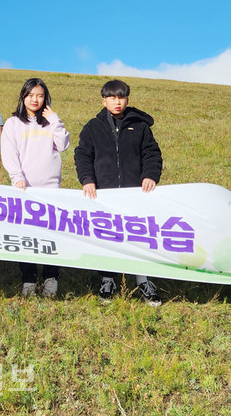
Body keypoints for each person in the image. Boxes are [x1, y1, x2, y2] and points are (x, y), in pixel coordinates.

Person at [74, 79, 163, 306]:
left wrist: (150, 175)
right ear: (103, 101)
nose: (117, 102)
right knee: (107, 236)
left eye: (121, 97)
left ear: (127, 100)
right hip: (104, 195)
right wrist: (87, 180)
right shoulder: (92, 128)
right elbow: (83, 155)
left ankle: (143, 280)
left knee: (139, 237)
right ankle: (108, 280)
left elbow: (152, 153)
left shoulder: (140, 127)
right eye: (112, 97)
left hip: (136, 194)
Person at [1, 78, 71, 298]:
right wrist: (16, 177)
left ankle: (51, 278)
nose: (35, 99)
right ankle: (29, 279)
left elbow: (63, 145)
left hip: (50, 188)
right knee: (26, 234)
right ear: (23, 97)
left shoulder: (50, 122)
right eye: (30, 95)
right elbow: (9, 153)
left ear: (45, 99)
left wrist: (55, 120)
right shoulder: (13, 123)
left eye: (40, 95)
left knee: (51, 234)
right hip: (24, 188)